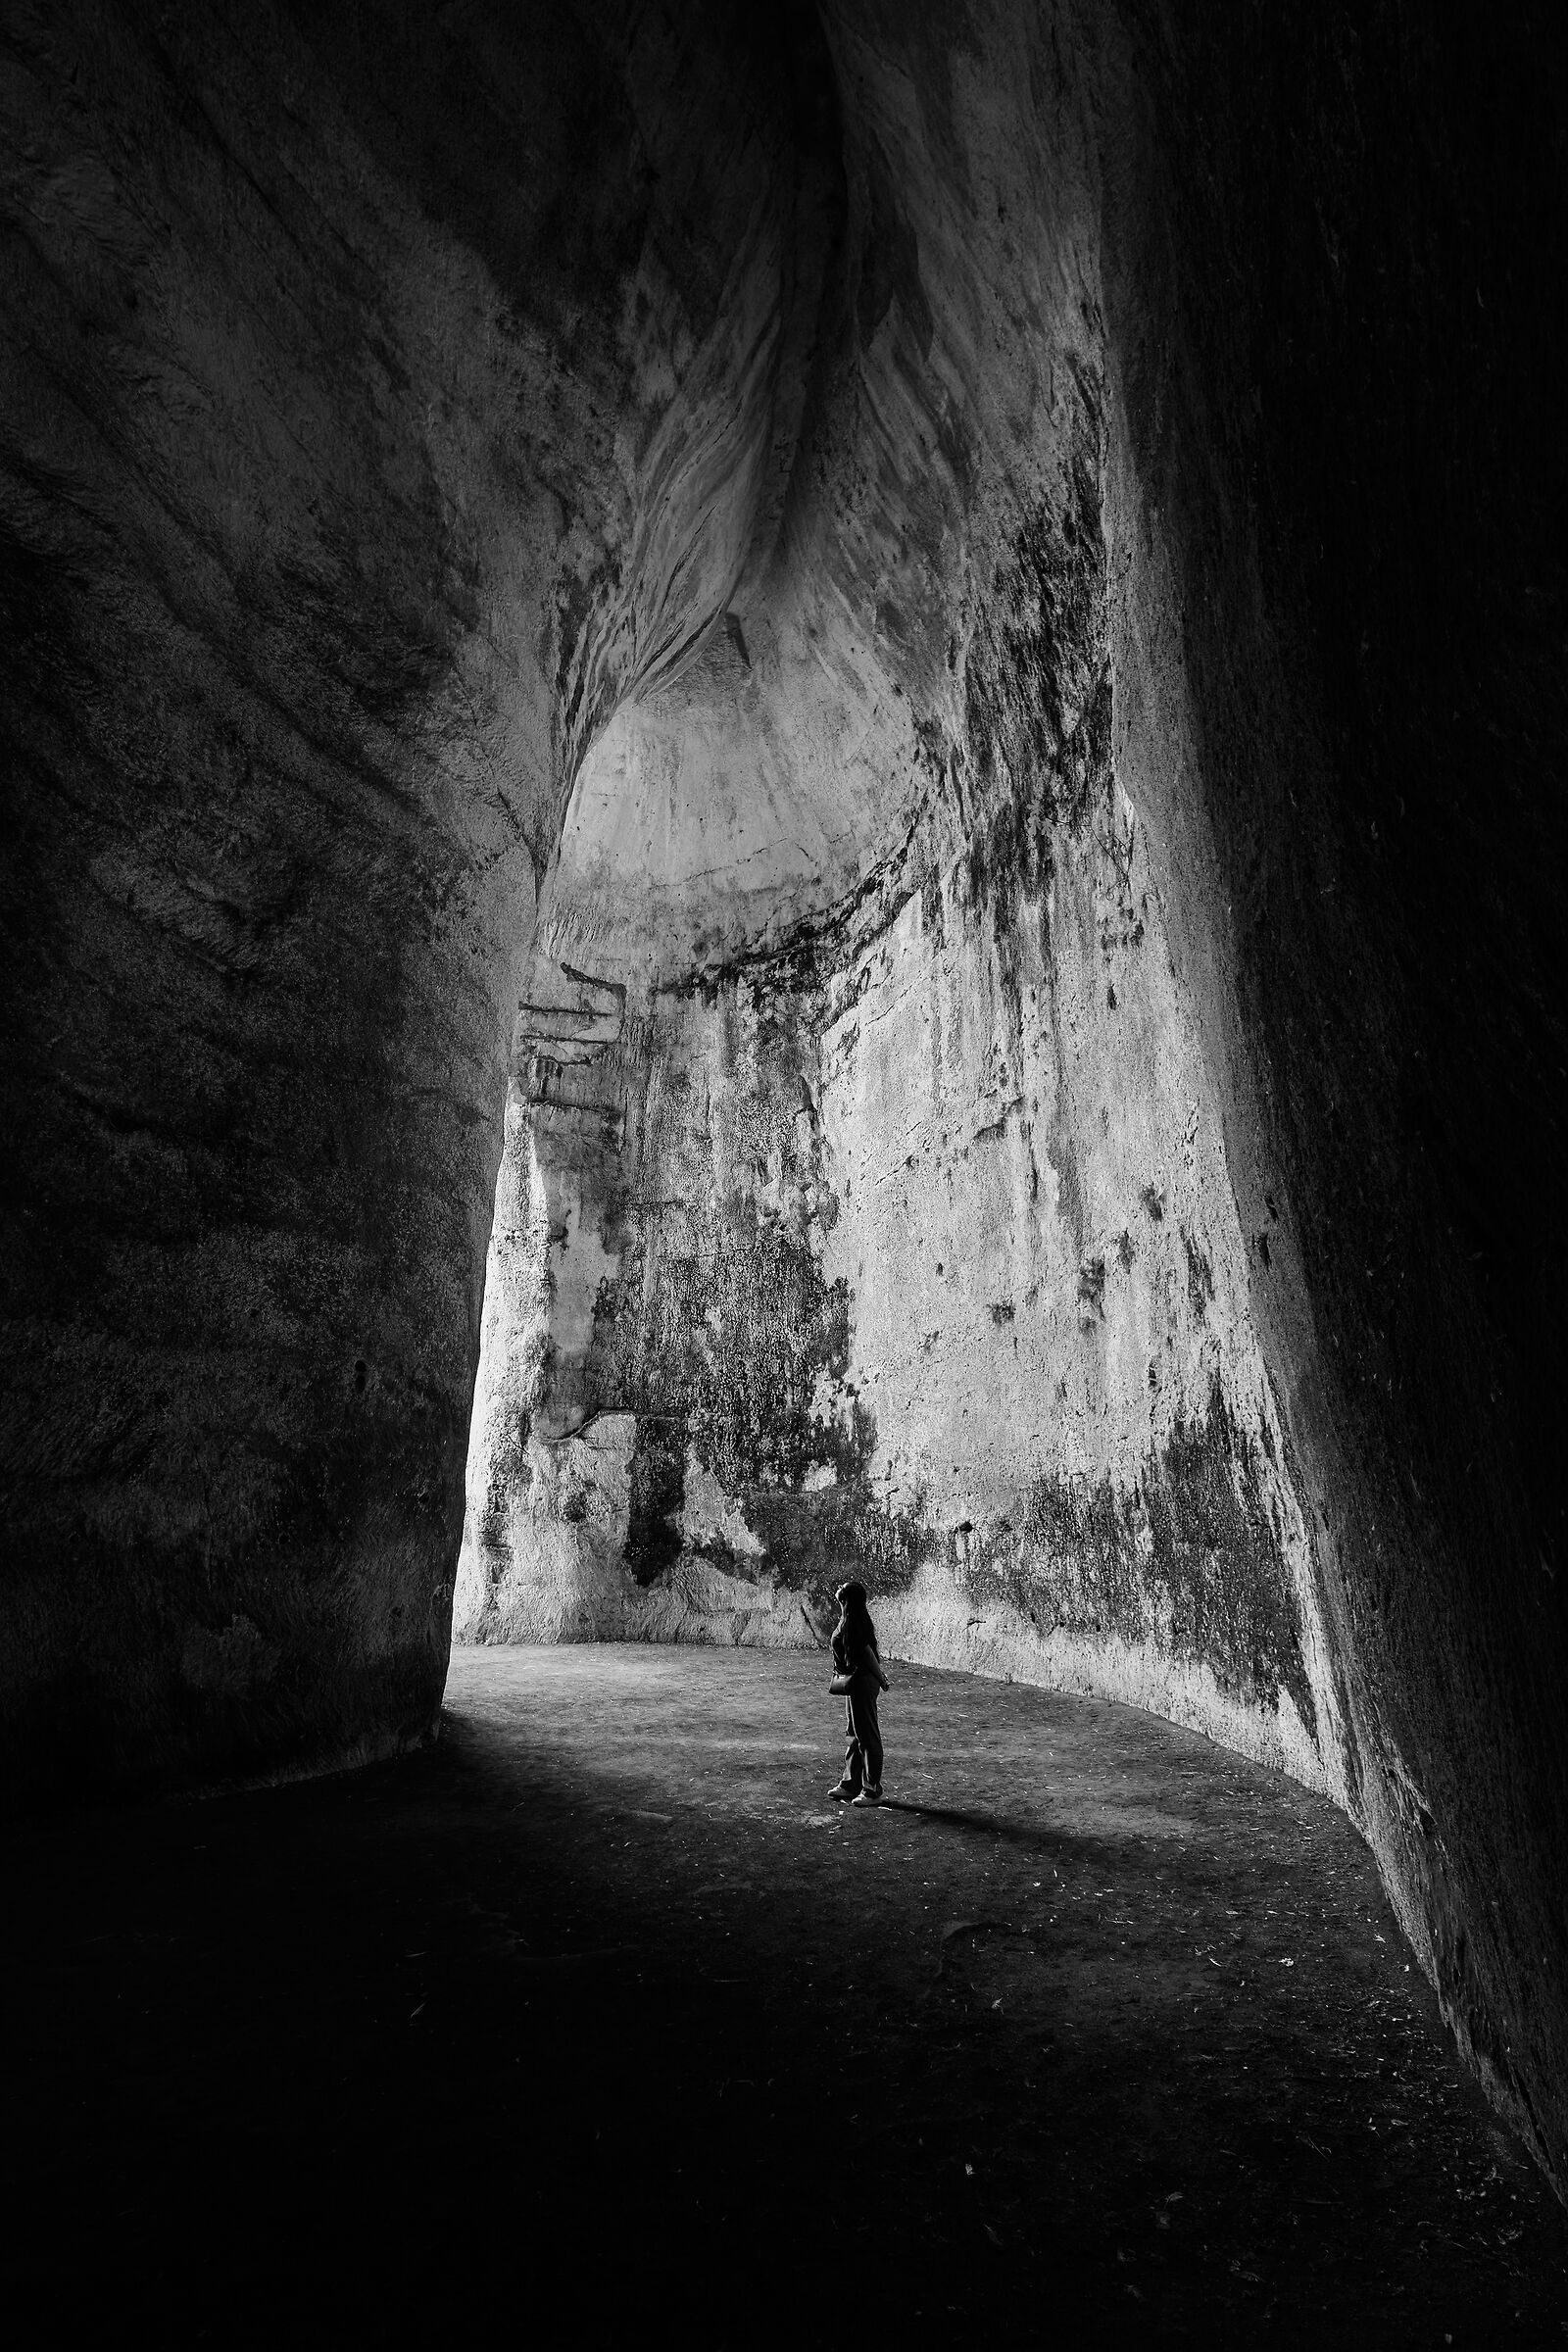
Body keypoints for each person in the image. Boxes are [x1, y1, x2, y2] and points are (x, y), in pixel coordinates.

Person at [826, 1578, 890, 1806]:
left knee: (867, 1736)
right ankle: (851, 1783)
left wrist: (882, 1679)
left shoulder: (853, 1623)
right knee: (853, 1733)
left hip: (863, 1682)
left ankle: (873, 1789)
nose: (838, 1589)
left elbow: (867, 1655)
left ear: (847, 1600)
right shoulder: (850, 1618)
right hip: (855, 1683)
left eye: (842, 1591)